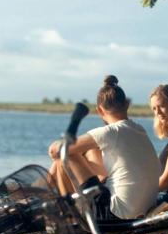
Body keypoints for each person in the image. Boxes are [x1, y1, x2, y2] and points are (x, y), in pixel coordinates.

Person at [49, 75, 160, 220]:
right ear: (126, 105)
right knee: (90, 150)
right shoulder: (139, 130)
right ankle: (55, 199)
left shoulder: (109, 132)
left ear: (99, 110)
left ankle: (66, 215)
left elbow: (54, 150)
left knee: (65, 155)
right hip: (142, 210)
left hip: (115, 215)